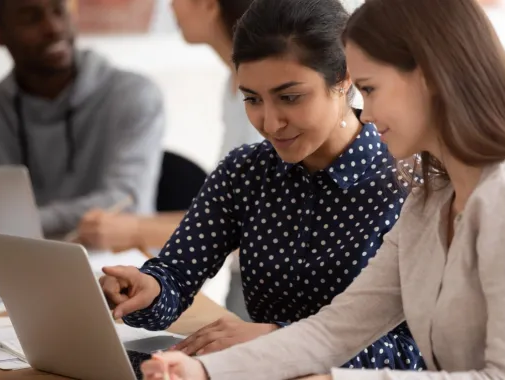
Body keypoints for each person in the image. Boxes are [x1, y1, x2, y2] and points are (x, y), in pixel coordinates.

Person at [140, 0, 505, 379]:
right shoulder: (428, 197)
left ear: (430, 77)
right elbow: (333, 331)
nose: (366, 112)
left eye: (369, 88)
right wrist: (200, 372)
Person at [100, 0, 425, 371]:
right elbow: (175, 275)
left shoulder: (407, 185)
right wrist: (146, 289)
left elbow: (416, 357)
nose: (269, 123)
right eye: (252, 99)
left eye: (290, 97)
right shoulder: (245, 171)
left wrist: (279, 339)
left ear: (344, 79)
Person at [75, 0, 261, 251]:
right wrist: (129, 226)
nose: (171, 6)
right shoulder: (234, 84)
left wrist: (135, 230)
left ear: (208, 5)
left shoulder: (263, 93)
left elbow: (251, 226)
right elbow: (224, 213)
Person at [0, 0, 164, 238]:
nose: (54, 27)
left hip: (112, 264)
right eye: (30, 18)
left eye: (59, 10)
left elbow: (126, 202)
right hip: (12, 264)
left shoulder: (133, 95)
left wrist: (25, 224)